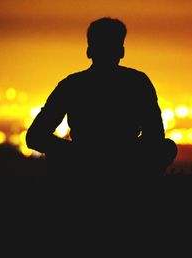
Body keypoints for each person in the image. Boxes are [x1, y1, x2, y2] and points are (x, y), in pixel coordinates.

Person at [26, 17, 177, 181]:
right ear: (121, 51)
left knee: (165, 147)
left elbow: (35, 136)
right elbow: (155, 135)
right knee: (166, 147)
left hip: (85, 162)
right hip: (119, 161)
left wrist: (68, 150)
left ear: (89, 51)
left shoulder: (71, 85)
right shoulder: (138, 82)